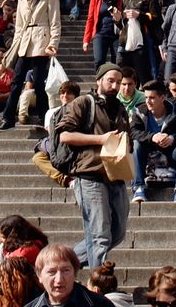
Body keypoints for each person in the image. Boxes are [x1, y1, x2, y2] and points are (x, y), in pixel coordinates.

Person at [56, 62, 134, 268]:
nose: (115, 86)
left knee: (117, 233)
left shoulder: (120, 108)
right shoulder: (84, 102)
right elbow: (65, 135)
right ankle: (99, 281)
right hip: (90, 176)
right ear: (99, 81)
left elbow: (128, 139)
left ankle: (63, 263)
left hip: (116, 176)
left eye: (118, 82)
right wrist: (101, 139)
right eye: (110, 81)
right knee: (100, 236)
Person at [4, 0, 64, 131]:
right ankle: (8, 118)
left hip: (41, 40)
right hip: (24, 40)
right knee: (16, 80)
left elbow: (55, 22)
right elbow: (19, 24)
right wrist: (15, 45)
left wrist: (53, 43)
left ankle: (44, 118)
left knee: (38, 82)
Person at [28, 243, 110, 307]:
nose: (59, 280)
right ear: (39, 276)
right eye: (52, 272)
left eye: (65, 270)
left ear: (74, 273)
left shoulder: (99, 304)